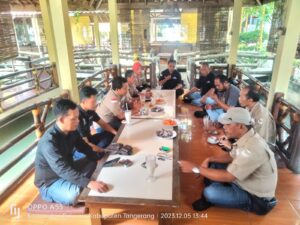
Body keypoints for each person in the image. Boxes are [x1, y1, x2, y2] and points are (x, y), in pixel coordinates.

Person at [179, 107, 278, 215]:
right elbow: (233, 155)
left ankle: (218, 194)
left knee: (209, 193)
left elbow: (228, 176)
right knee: (212, 165)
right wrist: (209, 159)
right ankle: (221, 188)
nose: (224, 127)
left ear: (241, 126)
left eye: (228, 124)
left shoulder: (253, 148)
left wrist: (196, 168)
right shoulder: (248, 136)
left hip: (255, 197)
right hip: (242, 180)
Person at [34, 99, 109, 206]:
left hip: (69, 167)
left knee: (92, 160)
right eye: (74, 119)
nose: (78, 121)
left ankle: (77, 182)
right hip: (51, 181)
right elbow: (62, 169)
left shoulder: (72, 131)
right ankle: (49, 193)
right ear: (61, 120)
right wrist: (89, 183)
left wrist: (99, 159)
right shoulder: (49, 142)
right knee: (74, 195)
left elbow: (84, 147)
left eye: (78, 117)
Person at [78, 86, 117, 150]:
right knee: (101, 150)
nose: (95, 104)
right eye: (93, 102)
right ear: (84, 102)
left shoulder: (90, 110)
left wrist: (117, 134)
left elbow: (103, 124)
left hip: (90, 138)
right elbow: (85, 142)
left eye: (95, 101)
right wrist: (102, 150)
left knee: (111, 134)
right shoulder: (77, 116)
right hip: (81, 145)